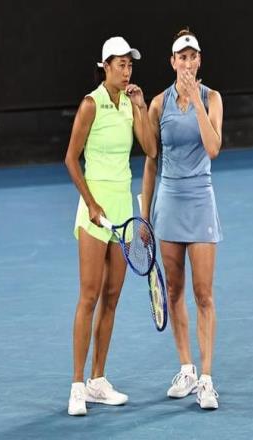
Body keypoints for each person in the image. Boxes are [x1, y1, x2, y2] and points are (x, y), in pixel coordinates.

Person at [65, 36, 156, 416]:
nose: (127, 70)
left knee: (112, 297)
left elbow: (150, 148)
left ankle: (98, 380)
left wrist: (141, 107)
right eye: (121, 64)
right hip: (94, 212)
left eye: (130, 64)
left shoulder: (130, 103)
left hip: (122, 210)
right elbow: (71, 159)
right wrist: (90, 203)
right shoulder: (91, 104)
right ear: (105, 66)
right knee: (89, 295)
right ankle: (76, 386)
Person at [140, 28, 223, 410]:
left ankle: (206, 379)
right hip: (169, 203)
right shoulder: (158, 104)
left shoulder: (213, 98)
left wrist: (197, 103)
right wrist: (145, 216)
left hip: (201, 201)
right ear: (172, 62)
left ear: (199, 60)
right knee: (174, 291)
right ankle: (186, 368)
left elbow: (213, 148)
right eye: (182, 57)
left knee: (203, 294)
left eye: (193, 57)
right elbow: (151, 160)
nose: (187, 63)